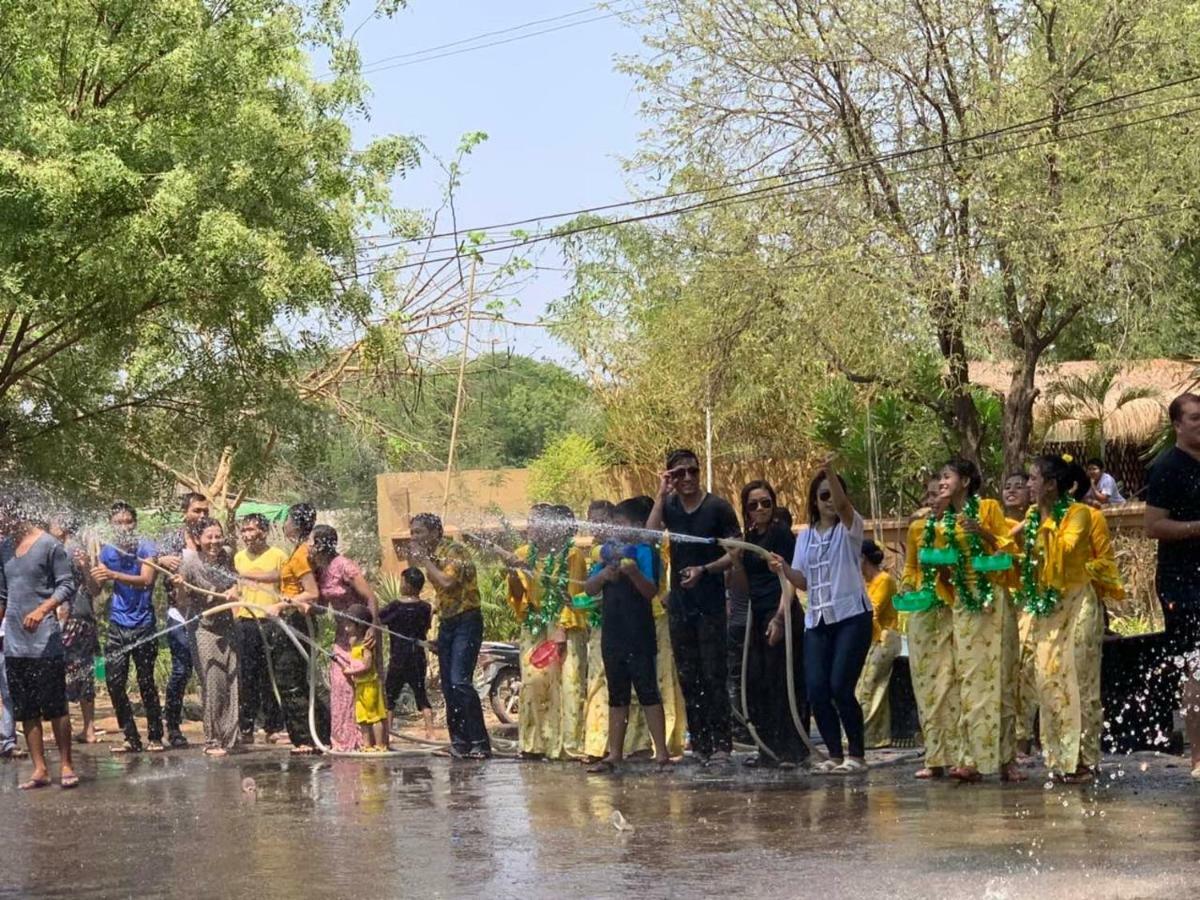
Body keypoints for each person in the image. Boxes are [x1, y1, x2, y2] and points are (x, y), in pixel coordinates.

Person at [770, 456, 872, 775]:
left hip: (852, 616)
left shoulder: (850, 527)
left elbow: (843, 507)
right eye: (823, 495)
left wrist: (828, 471)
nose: (830, 500)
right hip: (818, 619)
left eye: (835, 493)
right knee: (816, 688)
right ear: (815, 501)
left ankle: (856, 753)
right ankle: (833, 753)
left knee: (841, 685)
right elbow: (802, 581)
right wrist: (784, 569)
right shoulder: (805, 537)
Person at [648, 448, 740, 765]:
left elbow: (736, 552)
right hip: (681, 606)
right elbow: (648, 536)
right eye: (679, 473)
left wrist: (706, 570)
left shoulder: (717, 508)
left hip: (710, 604)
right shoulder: (670, 507)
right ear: (670, 477)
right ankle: (699, 745)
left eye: (692, 471)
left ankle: (721, 746)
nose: (687, 478)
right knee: (689, 677)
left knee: (714, 675)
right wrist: (660, 495)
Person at [1018, 454, 1097, 783]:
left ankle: (1084, 760)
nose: (1028, 485)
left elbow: (1065, 547)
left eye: (1034, 479)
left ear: (1051, 485)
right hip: (1048, 607)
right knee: (1048, 679)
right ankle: (1061, 759)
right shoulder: (1033, 515)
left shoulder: (1079, 514)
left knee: (1079, 680)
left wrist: (1044, 520)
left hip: (1078, 603)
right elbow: (1015, 545)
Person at [584, 498, 671, 772]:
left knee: (647, 691)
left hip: (639, 633)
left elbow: (650, 592)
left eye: (619, 524)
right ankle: (615, 753)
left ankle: (662, 754)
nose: (614, 529)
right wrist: (603, 577)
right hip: (613, 633)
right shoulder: (609, 553)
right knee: (616, 692)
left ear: (636, 526)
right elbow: (588, 589)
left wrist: (633, 572)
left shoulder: (646, 553)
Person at [726, 480, 807, 768]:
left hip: (781, 614)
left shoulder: (781, 534)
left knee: (784, 683)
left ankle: (793, 750)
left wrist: (780, 618)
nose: (760, 508)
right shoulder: (750, 541)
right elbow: (743, 586)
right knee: (758, 683)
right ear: (746, 510)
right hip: (757, 617)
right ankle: (768, 750)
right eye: (753, 504)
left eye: (765, 503)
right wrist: (736, 563)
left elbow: (791, 582)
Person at [0, 492, 78, 789]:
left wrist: (43, 609)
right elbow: (3, 594)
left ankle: (67, 765)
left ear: (15, 513)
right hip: (15, 643)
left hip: (45, 641)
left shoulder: (49, 545)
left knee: (55, 706)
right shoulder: (4, 548)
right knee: (26, 709)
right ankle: (40, 769)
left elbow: (67, 584)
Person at [1144, 392, 1200, 780]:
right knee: (1195, 668)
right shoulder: (1166, 467)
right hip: (1183, 583)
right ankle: (1198, 757)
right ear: (1177, 425)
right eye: (1195, 419)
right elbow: (1153, 526)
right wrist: (1198, 528)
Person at [503, 504, 587, 759]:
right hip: (534, 625)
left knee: (568, 685)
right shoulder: (523, 553)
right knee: (534, 684)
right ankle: (535, 744)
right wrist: (513, 573)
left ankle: (568, 747)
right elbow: (517, 596)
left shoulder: (572, 555)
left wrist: (561, 630)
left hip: (566, 625)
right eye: (529, 522)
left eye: (536, 523)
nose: (531, 528)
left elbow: (573, 595)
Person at [407, 512, 491, 760]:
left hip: (467, 620)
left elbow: (447, 582)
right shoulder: (433, 556)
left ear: (435, 532)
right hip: (448, 623)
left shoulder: (454, 551)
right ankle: (459, 743)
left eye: (419, 532)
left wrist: (425, 561)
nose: (415, 537)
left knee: (460, 681)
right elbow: (441, 597)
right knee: (447, 684)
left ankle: (480, 743)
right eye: (413, 532)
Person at [93, 501, 164, 753]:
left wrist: (113, 575)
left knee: (146, 682)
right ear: (111, 525)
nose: (124, 527)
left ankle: (155, 736)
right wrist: (87, 571)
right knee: (114, 682)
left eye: (128, 522)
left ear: (135, 523)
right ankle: (130, 737)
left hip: (144, 623)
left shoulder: (146, 546)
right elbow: (95, 589)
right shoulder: (106, 552)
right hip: (117, 625)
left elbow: (146, 580)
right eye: (119, 522)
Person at [264, 503, 331, 755]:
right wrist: (248, 577)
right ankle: (315, 736)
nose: (284, 524)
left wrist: (281, 605)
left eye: (288, 519)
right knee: (299, 680)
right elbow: (288, 579)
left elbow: (312, 593)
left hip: (295, 621)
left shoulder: (303, 553)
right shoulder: (300, 550)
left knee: (290, 681)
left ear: (296, 522)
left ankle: (306, 738)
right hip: (292, 620)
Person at [310, 524, 380, 753]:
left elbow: (371, 598)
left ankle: (367, 743)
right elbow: (321, 607)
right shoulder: (319, 571)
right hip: (341, 638)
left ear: (323, 543)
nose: (310, 546)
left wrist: (372, 628)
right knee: (341, 690)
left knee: (364, 690)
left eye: (313, 542)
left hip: (361, 637)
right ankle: (343, 743)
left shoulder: (345, 567)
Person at [175, 518, 242, 756]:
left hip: (228, 626)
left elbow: (236, 582)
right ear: (198, 539)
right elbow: (182, 602)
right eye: (208, 537)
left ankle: (231, 738)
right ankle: (213, 739)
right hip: (203, 627)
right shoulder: (189, 564)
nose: (214, 542)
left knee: (233, 679)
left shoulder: (227, 555)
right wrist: (181, 586)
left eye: (217, 536)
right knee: (213, 681)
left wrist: (235, 590)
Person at [156, 492, 211, 747]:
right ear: (185, 513)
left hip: (209, 615)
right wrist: (159, 559)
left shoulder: (210, 537)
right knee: (181, 670)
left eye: (204, 511)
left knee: (209, 671)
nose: (201, 515)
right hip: (179, 613)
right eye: (196, 510)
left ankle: (216, 726)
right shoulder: (172, 539)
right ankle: (174, 727)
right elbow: (151, 560)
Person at [232, 513, 286, 744]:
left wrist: (249, 575)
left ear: (263, 532)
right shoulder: (238, 558)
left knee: (270, 675)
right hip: (246, 621)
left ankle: (273, 726)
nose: (247, 535)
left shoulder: (278, 556)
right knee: (247, 676)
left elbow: (281, 578)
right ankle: (246, 727)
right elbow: (237, 588)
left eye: (251, 530)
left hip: (270, 621)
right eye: (244, 531)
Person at [49, 515, 100, 745]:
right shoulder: (80, 550)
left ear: (61, 527)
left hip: (71, 620)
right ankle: (88, 728)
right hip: (86, 619)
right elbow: (94, 589)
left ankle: (67, 729)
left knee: (63, 673)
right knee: (85, 673)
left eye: (52, 524)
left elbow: (64, 587)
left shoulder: (65, 550)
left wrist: (61, 611)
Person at [1002, 471, 1039, 759]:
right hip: (1005, 603)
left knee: (1027, 669)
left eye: (1019, 487)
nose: (1012, 491)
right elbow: (996, 541)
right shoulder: (997, 524)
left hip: (1031, 602)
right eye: (1007, 486)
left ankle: (1023, 739)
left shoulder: (1040, 521)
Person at [378, 567, 434, 739]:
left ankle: (387, 733)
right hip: (417, 657)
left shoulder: (395, 607)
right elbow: (426, 627)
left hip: (398, 658)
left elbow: (378, 619)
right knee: (421, 694)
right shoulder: (425, 608)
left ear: (408, 586)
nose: (400, 584)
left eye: (402, 581)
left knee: (390, 696)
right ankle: (430, 733)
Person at [855, 539, 900, 750]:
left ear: (862, 558)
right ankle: (875, 736)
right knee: (865, 684)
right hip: (868, 639)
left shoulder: (884, 580)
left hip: (884, 638)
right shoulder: (864, 583)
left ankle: (866, 736)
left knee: (869, 685)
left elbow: (872, 611)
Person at [333, 603, 389, 752]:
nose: (346, 629)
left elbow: (367, 665)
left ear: (359, 626)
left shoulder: (366, 644)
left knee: (374, 716)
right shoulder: (354, 642)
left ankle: (380, 745)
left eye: (349, 626)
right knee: (362, 717)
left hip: (369, 685)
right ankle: (367, 745)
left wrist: (351, 671)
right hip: (360, 686)